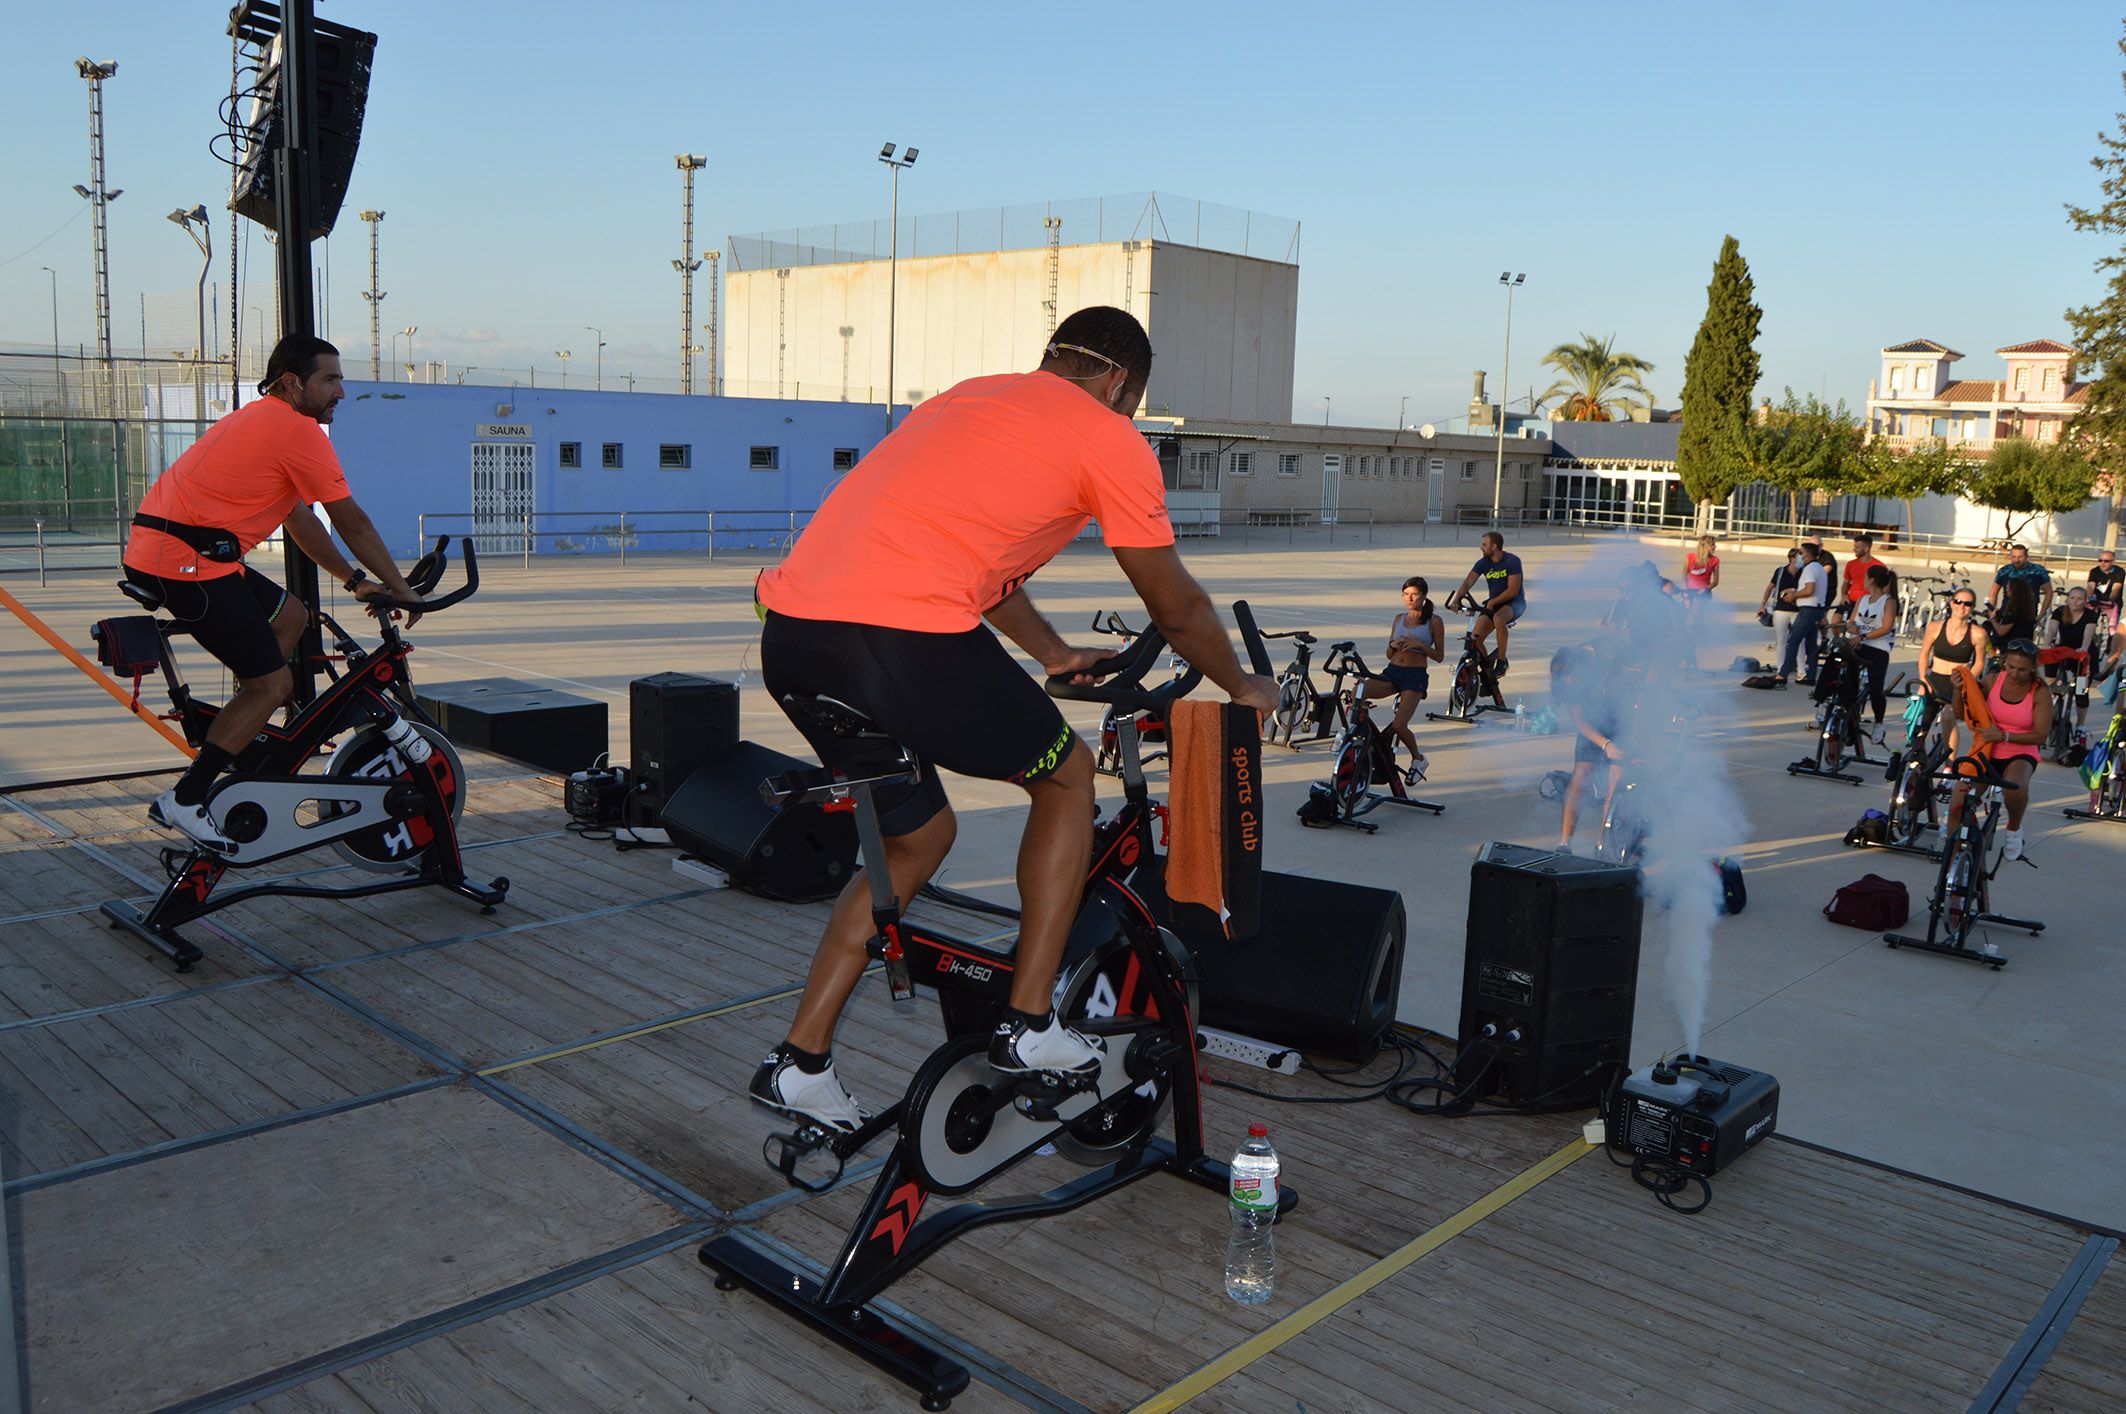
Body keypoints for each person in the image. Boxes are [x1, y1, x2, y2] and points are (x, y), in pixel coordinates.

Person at [744, 306, 1279, 1132]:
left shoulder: (967, 399)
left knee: (915, 841)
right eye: (1132, 401)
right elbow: (1175, 607)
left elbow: (981, 569)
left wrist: (1055, 651)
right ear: (1120, 383)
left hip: (795, 638)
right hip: (896, 636)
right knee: (1065, 776)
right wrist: (1243, 685)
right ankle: (1031, 1025)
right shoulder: (1110, 438)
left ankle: (801, 1064)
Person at [121, 334, 422, 851]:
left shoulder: (262, 419)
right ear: (292, 382)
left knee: (293, 618)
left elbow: (302, 522)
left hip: (188, 553)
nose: (341, 393)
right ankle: (188, 798)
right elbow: (351, 520)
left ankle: (243, 732)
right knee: (272, 685)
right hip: (187, 564)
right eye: (329, 380)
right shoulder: (297, 431)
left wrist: (355, 582)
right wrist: (403, 591)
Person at [1947, 640, 2051, 862]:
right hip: (1987, 749)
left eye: (2022, 669)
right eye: (2010, 666)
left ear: (2033, 667)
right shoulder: (1993, 681)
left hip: (2020, 749)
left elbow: (2041, 735)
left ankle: (2014, 828)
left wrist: (2004, 736)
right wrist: (1958, 690)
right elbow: (1960, 713)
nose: (2014, 673)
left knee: (2015, 787)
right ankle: (1952, 856)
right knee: (1958, 799)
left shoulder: (2040, 691)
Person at [1550, 643, 1627, 853]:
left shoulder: (1601, 662)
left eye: (1571, 675)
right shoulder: (1566, 685)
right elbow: (1579, 720)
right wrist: (1604, 743)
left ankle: (1603, 844)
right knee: (1579, 777)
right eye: (1565, 679)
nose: (1570, 681)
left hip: (1622, 721)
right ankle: (1564, 843)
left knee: (1615, 778)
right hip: (1594, 728)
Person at [1370, 575, 1443, 781]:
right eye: (1406, 594)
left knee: (1400, 725)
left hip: (1414, 677)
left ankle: (1418, 759)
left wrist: (1421, 646)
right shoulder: (1398, 619)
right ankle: (1364, 742)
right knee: (1358, 691)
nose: (1410, 599)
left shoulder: (1434, 621)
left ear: (1424, 596)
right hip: (1393, 672)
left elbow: (1439, 656)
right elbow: (1388, 654)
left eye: (1414, 594)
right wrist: (1393, 646)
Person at [1916, 586, 1990, 757]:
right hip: (1934, 680)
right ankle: (1918, 757)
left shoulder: (1978, 633)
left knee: (1949, 718)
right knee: (1920, 722)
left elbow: (1979, 663)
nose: (1962, 606)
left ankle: (1949, 766)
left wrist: (1966, 683)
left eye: (1967, 604)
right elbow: (1924, 654)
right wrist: (1922, 679)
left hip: (1957, 684)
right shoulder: (1935, 627)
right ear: (1951, 603)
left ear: (1972, 608)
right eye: (1958, 601)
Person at [1452, 532, 1526, 674]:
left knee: (1498, 618)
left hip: (1515, 603)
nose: (1481, 547)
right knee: (1475, 639)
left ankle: (1502, 661)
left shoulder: (1512, 561)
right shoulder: (1483, 562)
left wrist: (1492, 602)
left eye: (1484, 545)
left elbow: (1513, 590)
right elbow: (1468, 582)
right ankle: (1487, 671)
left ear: (1495, 546)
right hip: (1494, 603)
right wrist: (1456, 599)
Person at [1848, 564, 1899, 742]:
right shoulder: (1862, 599)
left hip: (1877, 648)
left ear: (1872, 580)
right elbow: (1851, 620)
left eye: (1865, 577)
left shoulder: (1888, 601)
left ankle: (1879, 722)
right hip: (1859, 644)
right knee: (1842, 673)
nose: (1863, 580)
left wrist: (1862, 636)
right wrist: (1852, 627)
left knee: (1876, 689)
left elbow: (1886, 627)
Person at [2043, 585, 2099, 738]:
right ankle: (2051, 693)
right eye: (2072, 598)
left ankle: (2081, 724)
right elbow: (2051, 631)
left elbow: (2088, 634)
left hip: (2082, 653)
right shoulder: (2060, 612)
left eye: (2079, 599)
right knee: (2050, 660)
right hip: (2064, 649)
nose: (2075, 602)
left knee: (2081, 691)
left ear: (2085, 601)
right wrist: (2046, 645)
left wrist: (2084, 648)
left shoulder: (2090, 615)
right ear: (2067, 599)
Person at [1777, 542, 1831, 685]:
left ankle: (1783, 674)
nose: (1798, 556)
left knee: (1793, 640)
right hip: (1818, 609)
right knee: (1812, 645)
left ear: (1806, 555)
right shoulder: (1819, 568)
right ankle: (1810, 676)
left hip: (1809, 610)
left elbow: (1809, 590)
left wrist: (1794, 596)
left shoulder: (1810, 569)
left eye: (1800, 553)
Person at [1988, 544, 2053, 644]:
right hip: (2007, 611)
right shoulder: (2004, 571)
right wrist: (1991, 609)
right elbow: (1993, 592)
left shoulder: (2038, 571)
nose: (2016, 560)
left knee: (2023, 644)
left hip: (2028, 613)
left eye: (2020, 557)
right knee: (1997, 640)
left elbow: (2049, 592)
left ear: (2026, 557)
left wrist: (2041, 614)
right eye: (2013, 557)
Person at [1759, 546, 1804, 674]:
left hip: (1798, 610)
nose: (1802, 558)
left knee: (1800, 641)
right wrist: (1762, 605)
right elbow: (1770, 588)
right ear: (1792, 558)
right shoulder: (1780, 571)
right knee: (1781, 641)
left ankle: (1801, 670)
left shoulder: (1805, 572)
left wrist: (1793, 591)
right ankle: (1781, 669)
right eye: (1800, 556)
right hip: (1781, 610)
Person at [1841, 534, 1883, 614]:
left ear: (1866, 549)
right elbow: (1846, 582)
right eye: (1854, 547)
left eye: (1857, 547)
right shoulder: (1850, 564)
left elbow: (1883, 588)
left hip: (1868, 603)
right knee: (1836, 620)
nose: (1854, 549)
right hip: (1851, 601)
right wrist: (1843, 595)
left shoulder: (1878, 566)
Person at [2085, 548, 2123, 633]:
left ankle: (2111, 643)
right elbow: (2090, 587)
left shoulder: (2119, 571)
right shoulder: (2095, 571)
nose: (2102, 563)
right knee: (2087, 623)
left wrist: (2111, 600)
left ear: (2112, 562)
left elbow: (2116, 588)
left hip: (2111, 602)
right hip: (2096, 600)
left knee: (2112, 628)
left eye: (2106, 561)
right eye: (2100, 560)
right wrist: (2091, 596)